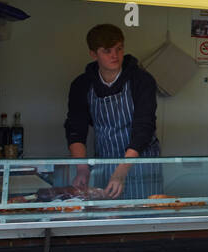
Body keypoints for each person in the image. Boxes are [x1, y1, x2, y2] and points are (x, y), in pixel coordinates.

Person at [64, 23, 163, 199]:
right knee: (109, 216)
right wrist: (82, 168)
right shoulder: (82, 84)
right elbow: (75, 128)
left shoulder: (141, 80)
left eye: (119, 49)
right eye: (107, 51)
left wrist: (121, 171)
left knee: (144, 217)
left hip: (142, 166)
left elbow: (144, 127)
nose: (115, 56)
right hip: (105, 163)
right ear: (93, 54)